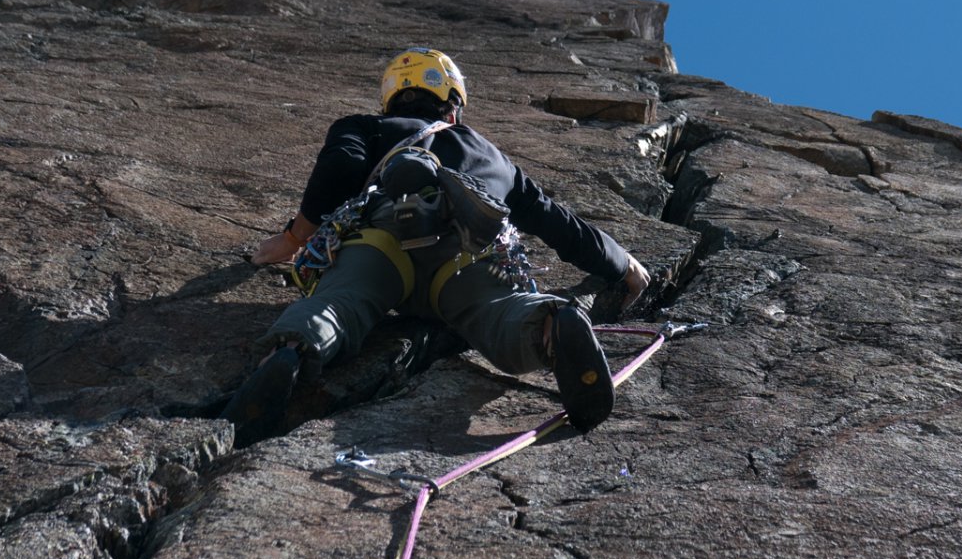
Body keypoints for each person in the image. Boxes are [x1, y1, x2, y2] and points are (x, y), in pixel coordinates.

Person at [225, 47, 651, 443]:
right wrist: (622, 263)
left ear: (392, 98)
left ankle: (289, 354)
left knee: (341, 302)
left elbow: (341, 166)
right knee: (498, 313)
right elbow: (558, 223)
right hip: (469, 246)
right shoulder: (493, 157)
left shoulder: (368, 127)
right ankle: (549, 326)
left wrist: (294, 236)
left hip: (382, 237)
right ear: (453, 102)